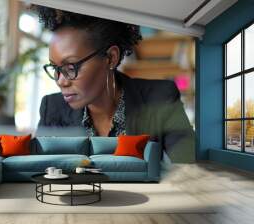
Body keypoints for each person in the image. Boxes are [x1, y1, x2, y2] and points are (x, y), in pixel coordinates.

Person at [33, 6, 195, 163]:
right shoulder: (52, 108)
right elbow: (40, 169)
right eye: (55, 68)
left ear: (111, 58)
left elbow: (186, 166)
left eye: (70, 67)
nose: (61, 81)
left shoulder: (160, 97)